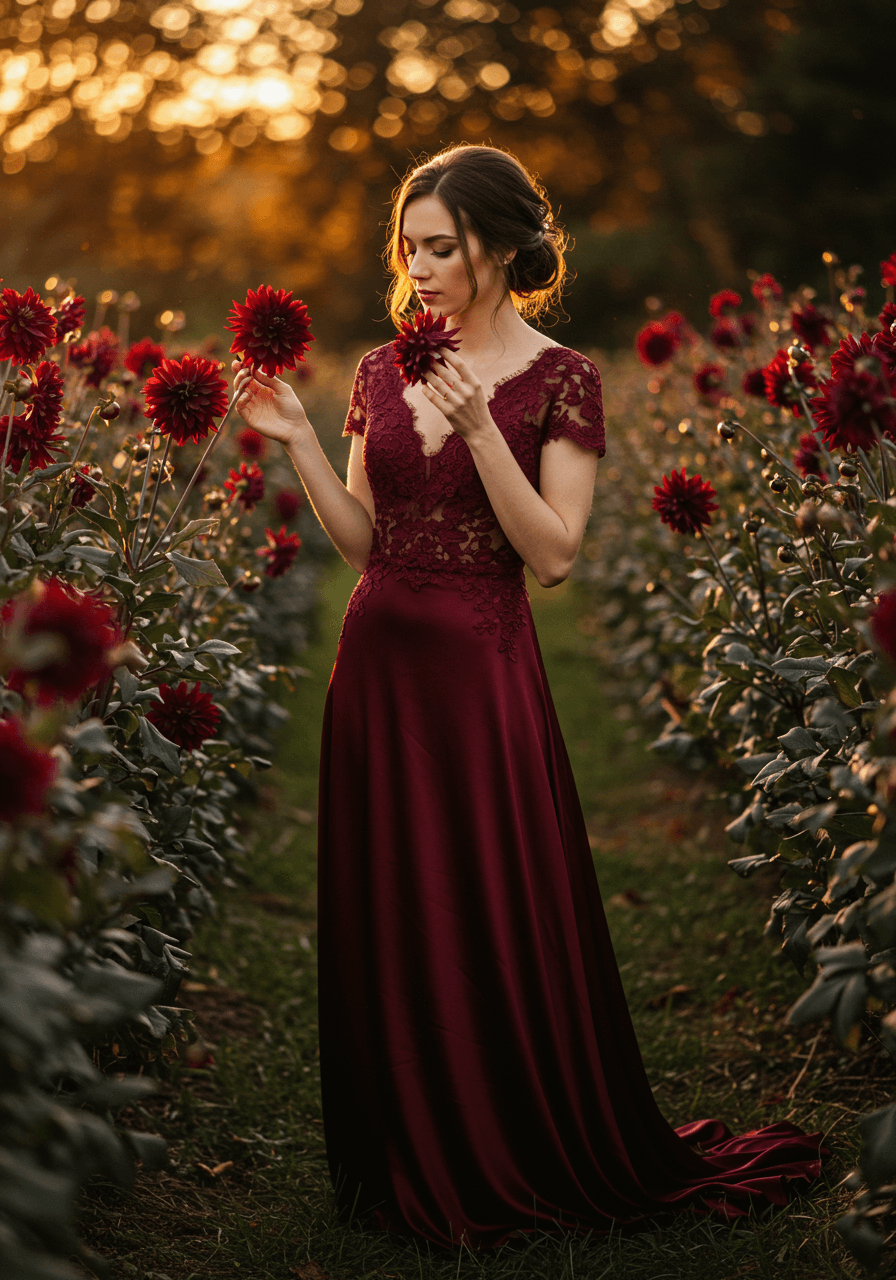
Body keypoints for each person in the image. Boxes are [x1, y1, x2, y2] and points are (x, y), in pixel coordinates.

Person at [232, 144, 825, 1250]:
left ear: (499, 248)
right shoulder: (374, 370)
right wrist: (301, 443)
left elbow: (551, 553)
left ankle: (501, 1138)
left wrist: (470, 428)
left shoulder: (562, 377)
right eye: (407, 248)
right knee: (390, 899)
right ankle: (398, 1147)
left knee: (476, 901)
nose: (420, 269)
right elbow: (362, 541)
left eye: (442, 248)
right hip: (375, 670)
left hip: (478, 674)